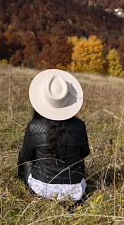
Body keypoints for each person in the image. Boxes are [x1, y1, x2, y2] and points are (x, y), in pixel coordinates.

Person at [18, 69, 90, 201]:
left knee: (24, 154)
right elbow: (85, 153)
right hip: (76, 192)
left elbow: (27, 157)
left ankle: (19, 180)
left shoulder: (34, 126)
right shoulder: (79, 125)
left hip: (41, 190)